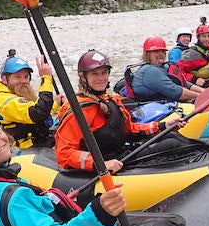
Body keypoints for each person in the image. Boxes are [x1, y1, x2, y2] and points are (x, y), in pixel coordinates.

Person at [56, 50, 184, 171]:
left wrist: (163, 126)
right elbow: (64, 153)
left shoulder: (112, 100)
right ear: (83, 77)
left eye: (104, 73)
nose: (101, 78)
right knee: (172, 145)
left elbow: (129, 129)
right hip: (107, 163)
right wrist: (101, 164)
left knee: (171, 136)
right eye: (95, 74)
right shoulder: (79, 110)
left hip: (122, 154)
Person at [0, 52, 62, 148]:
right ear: (4, 79)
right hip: (20, 151)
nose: (24, 81)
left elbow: (30, 109)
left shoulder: (14, 94)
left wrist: (56, 103)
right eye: (17, 77)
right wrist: (46, 78)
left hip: (34, 143)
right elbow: (38, 112)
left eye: (26, 77)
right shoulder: (2, 100)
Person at [125, 36, 204, 102]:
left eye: (163, 51)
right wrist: (202, 96)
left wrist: (203, 91)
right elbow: (176, 92)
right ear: (147, 54)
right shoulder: (149, 71)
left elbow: (183, 82)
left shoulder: (163, 67)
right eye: (156, 51)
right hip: (152, 109)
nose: (161, 54)